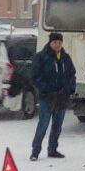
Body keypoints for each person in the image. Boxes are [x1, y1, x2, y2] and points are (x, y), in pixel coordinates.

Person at [30, 32, 76, 161]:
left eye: (59, 43)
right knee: (43, 123)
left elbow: (71, 74)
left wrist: (70, 89)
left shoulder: (66, 58)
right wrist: (45, 88)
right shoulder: (41, 57)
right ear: (50, 43)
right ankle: (35, 151)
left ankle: (53, 149)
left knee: (58, 125)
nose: (57, 45)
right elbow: (35, 76)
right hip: (46, 96)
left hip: (62, 96)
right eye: (55, 42)